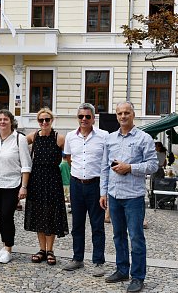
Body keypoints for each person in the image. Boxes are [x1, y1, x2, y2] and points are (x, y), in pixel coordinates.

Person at [100, 101, 158, 293]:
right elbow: (104, 168)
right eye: (119, 113)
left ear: (133, 114)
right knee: (118, 236)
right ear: (116, 116)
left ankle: (138, 277)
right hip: (114, 195)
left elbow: (153, 165)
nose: (123, 116)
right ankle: (122, 269)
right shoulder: (110, 139)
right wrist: (103, 192)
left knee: (136, 238)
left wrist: (130, 167)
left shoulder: (144, 138)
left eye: (126, 112)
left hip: (133, 196)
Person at [63, 103, 108, 277]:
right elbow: (68, 158)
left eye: (87, 117)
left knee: (97, 225)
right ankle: (77, 258)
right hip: (76, 184)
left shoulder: (104, 136)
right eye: (81, 116)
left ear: (93, 118)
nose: (84, 119)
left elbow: (107, 162)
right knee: (77, 224)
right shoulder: (70, 137)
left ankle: (98, 262)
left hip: (95, 185)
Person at [24, 107, 69, 266]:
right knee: (38, 214)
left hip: (52, 180)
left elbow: (70, 156)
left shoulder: (59, 138)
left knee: (51, 214)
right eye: (41, 120)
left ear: (52, 121)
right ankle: (41, 249)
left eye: (47, 120)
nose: (44, 122)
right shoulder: (34, 136)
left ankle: (50, 250)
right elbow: (17, 143)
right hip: (36, 179)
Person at [0, 109, 32, 264]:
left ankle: (9, 248)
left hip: (12, 184)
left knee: (7, 215)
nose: (2, 122)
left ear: (11, 121)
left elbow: (26, 165)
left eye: (5, 119)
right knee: (1, 216)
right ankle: (4, 244)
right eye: (0, 119)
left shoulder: (19, 139)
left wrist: (24, 187)